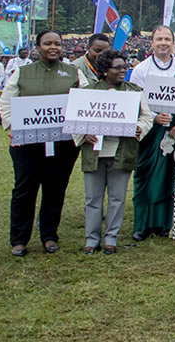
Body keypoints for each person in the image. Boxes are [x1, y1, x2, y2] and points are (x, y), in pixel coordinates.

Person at [0, 30, 87, 256]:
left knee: (55, 190)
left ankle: (49, 235)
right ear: (37, 47)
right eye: (47, 43)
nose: (53, 47)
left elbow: (85, 101)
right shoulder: (22, 72)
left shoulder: (73, 72)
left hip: (62, 143)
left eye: (57, 44)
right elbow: (7, 102)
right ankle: (19, 239)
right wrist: (12, 128)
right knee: (24, 190)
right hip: (27, 144)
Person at [74, 50, 153, 254]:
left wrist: (139, 128)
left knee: (117, 198)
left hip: (122, 151)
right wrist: (84, 134)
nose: (122, 71)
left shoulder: (134, 91)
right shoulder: (89, 91)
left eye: (125, 67)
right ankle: (92, 239)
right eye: (117, 67)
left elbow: (147, 117)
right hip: (95, 153)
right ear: (104, 70)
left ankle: (111, 238)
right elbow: (76, 119)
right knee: (93, 199)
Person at [128, 25, 175, 240]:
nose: (163, 43)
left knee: (169, 175)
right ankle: (142, 224)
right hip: (149, 131)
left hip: (174, 129)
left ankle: (164, 223)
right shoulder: (141, 70)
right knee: (145, 174)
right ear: (152, 42)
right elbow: (134, 100)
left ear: (174, 43)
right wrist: (154, 117)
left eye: (167, 39)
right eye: (159, 39)